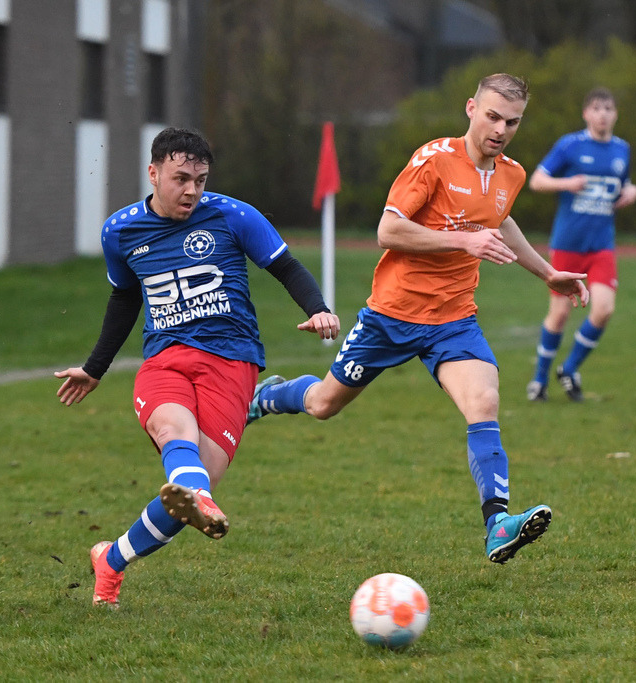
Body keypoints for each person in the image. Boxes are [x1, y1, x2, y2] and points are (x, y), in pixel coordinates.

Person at [246, 73, 590, 564]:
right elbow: (388, 230)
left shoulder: (510, 173)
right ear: (471, 108)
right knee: (323, 404)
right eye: (492, 116)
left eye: (512, 121)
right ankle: (270, 395)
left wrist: (548, 273)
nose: (501, 129)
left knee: (484, 400)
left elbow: (501, 219)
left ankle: (497, 524)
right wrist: (464, 240)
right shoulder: (432, 160)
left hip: (454, 319)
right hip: (391, 315)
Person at [55, 127, 340, 608]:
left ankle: (112, 561)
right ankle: (198, 484)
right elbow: (124, 298)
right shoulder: (120, 231)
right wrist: (95, 367)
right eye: (180, 178)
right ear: (154, 172)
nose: (191, 190)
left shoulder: (233, 216)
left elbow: (286, 266)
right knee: (173, 431)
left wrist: (318, 307)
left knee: (186, 498)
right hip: (165, 359)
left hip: (231, 362)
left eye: (200, 180)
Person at [525, 87, 636, 402]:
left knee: (604, 309)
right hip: (567, 245)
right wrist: (567, 183)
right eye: (597, 108)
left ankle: (570, 367)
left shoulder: (622, 149)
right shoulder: (570, 145)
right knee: (559, 313)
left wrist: (632, 192)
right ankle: (538, 381)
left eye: (608, 108)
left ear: (615, 114)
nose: (603, 114)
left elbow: (623, 184)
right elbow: (536, 181)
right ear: (586, 113)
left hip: (601, 245)